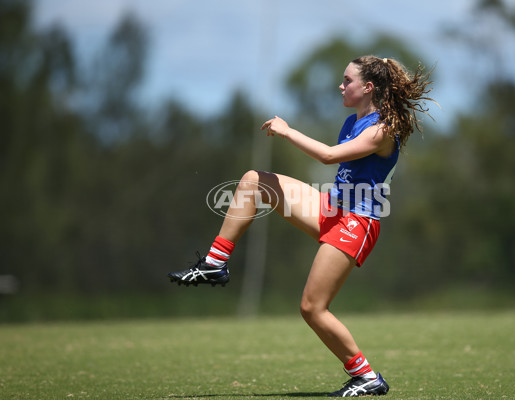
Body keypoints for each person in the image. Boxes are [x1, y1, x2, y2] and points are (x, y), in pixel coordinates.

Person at [168, 55, 434, 397]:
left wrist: (288, 131)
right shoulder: (353, 121)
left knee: (312, 308)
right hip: (333, 208)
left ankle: (366, 377)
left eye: (347, 80)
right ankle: (215, 264)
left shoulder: (382, 129)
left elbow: (327, 156)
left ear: (368, 87)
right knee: (254, 182)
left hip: (357, 222)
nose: (341, 85)